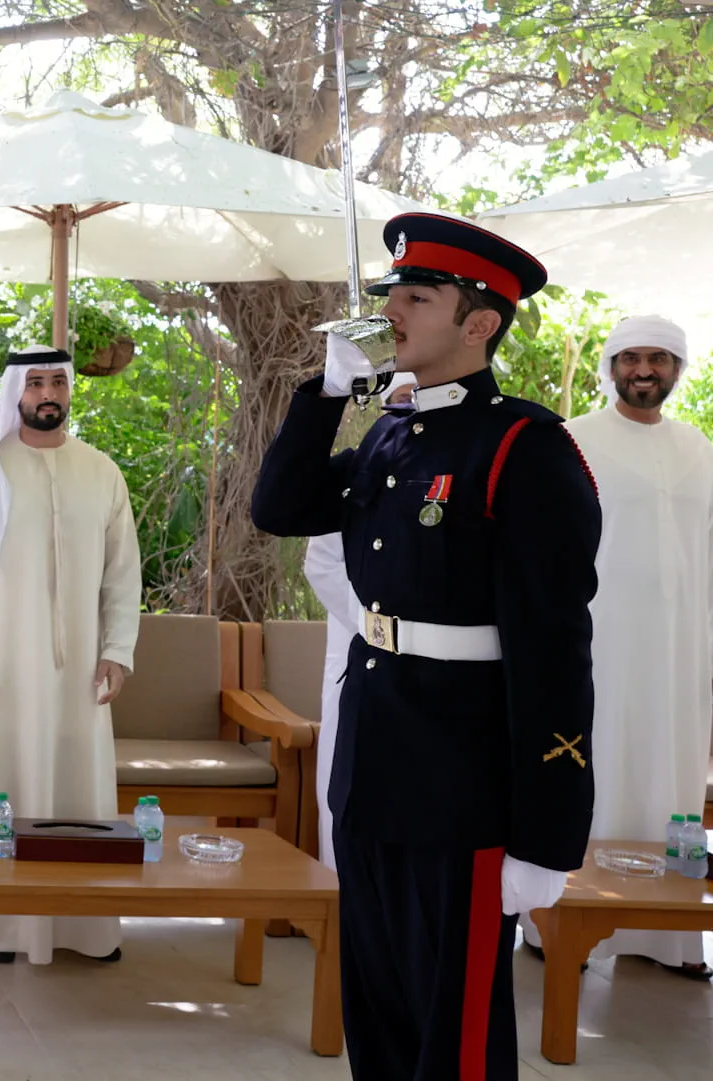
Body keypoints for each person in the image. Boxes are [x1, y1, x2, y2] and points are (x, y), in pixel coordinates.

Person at [252, 212, 600, 1081]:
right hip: (372, 768)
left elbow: (555, 651)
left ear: (479, 324)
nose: (391, 312)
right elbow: (280, 507)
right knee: (380, 1016)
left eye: (417, 297)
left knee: (456, 1037)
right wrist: (327, 393)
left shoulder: (526, 448)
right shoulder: (391, 432)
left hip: (463, 788)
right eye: (390, 294)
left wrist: (547, 838)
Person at [0, 344, 142, 965]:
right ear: (15, 393)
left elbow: (122, 575)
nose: (48, 394)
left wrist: (118, 650)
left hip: (80, 674)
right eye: (35, 383)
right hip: (0, 671)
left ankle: (81, 927)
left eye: (57, 382)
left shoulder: (101, 472)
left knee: (79, 796)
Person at [547, 315, 712, 979]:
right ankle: (563, 923)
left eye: (659, 358)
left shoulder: (698, 446)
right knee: (595, 768)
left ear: (677, 368)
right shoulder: (573, 441)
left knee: (672, 776)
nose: (645, 370)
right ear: (612, 366)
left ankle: (669, 937)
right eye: (632, 357)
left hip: (681, 651)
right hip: (598, 641)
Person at [304, 374, 416, 871]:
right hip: (361, 656)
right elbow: (322, 563)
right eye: (403, 401)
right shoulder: (361, 470)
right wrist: (381, 629)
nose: (413, 408)